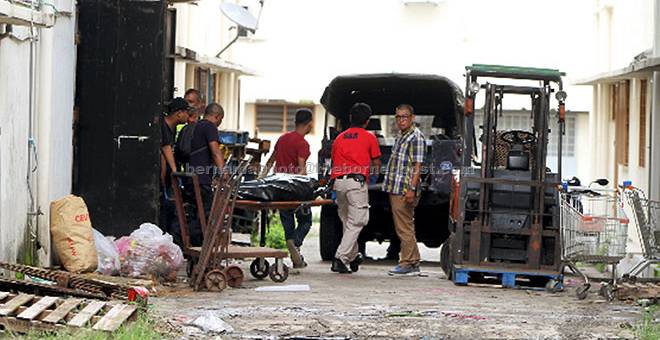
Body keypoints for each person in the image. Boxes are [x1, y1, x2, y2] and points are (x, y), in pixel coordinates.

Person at [329, 103, 381, 274]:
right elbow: (376, 163)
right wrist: (372, 176)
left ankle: (352, 256)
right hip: (356, 183)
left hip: (338, 183)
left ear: (350, 118)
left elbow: (333, 160)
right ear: (367, 121)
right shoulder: (369, 137)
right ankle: (340, 258)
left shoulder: (339, 138)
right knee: (358, 221)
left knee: (347, 221)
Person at [262, 108, 314, 268]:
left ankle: (295, 254)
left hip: (279, 187)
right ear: (309, 123)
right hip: (294, 188)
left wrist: (262, 179)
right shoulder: (302, 143)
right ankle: (295, 242)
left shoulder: (283, 138)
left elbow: (271, 160)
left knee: (288, 221)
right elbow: (302, 169)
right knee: (305, 220)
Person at [382, 104, 426, 276]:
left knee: (404, 227)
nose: (401, 120)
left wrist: (411, 189)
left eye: (405, 117)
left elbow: (418, 166)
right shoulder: (402, 135)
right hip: (395, 187)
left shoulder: (416, 137)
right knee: (405, 225)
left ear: (412, 118)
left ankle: (407, 263)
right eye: (398, 117)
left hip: (404, 188)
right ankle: (413, 262)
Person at [187, 103, 226, 215]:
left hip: (190, 177)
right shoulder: (210, 127)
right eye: (221, 119)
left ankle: (189, 232)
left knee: (194, 212)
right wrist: (224, 172)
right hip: (201, 179)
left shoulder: (196, 125)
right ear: (217, 116)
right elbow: (215, 152)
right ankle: (198, 233)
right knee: (205, 214)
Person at [159, 97, 192, 232]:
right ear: (179, 113)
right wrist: (173, 172)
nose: (188, 116)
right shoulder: (163, 127)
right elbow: (165, 150)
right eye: (186, 112)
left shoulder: (171, 129)